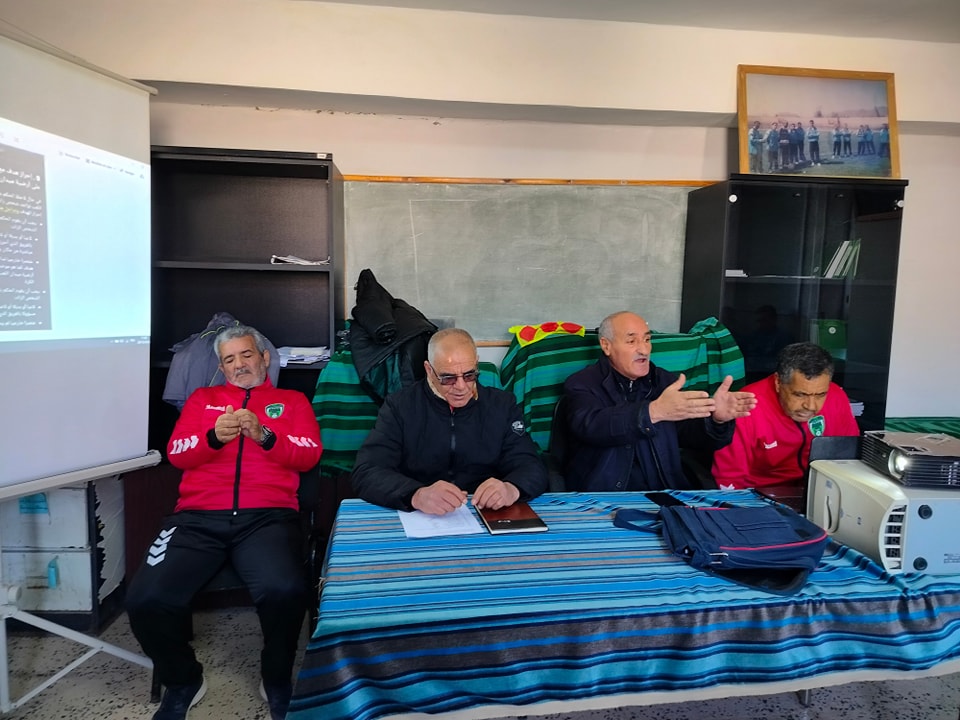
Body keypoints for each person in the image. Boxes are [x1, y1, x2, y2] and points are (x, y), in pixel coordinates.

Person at [126, 325, 322, 720]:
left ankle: (276, 677)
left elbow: (309, 455)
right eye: (230, 359)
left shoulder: (292, 401)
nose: (239, 365)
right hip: (197, 517)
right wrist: (212, 437)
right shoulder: (203, 400)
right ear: (221, 367)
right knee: (144, 599)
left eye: (246, 355)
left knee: (285, 590)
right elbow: (177, 453)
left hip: (267, 516)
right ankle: (183, 680)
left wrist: (265, 436)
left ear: (264, 357)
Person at [351, 327, 548, 514]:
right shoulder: (400, 406)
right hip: (422, 513)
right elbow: (367, 471)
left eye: (469, 375)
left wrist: (511, 489)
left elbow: (531, 465)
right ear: (429, 370)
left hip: (485, 512)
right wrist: (416, 494)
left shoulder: (502, 405)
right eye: (448, 378)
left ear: (477, 364)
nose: (461, 386)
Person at [562, 311, 757, 492]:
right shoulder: (581, 383)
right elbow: (593, 425)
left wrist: (715, 420)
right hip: (603, 494)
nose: (644, 349)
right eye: (631, 341)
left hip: (663, 492)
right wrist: (653, 412)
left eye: (647, 339)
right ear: (606, 346)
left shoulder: (664, 382)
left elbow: (691, 436)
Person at [711, 342, 859, 511]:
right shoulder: (746, 406)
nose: (811, 406)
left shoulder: (837, 397)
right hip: (759, 499)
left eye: (820, 395)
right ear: (778, 382)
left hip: (821, 496)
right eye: (800, 394)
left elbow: (850, 462)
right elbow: (730, 480)